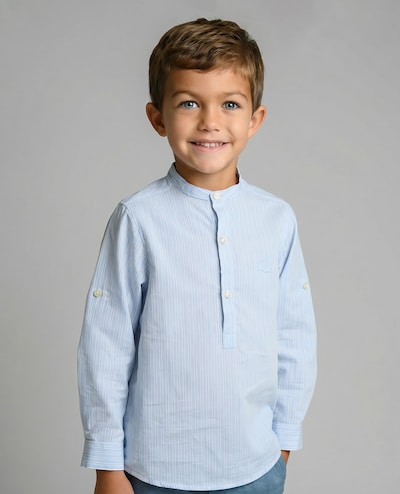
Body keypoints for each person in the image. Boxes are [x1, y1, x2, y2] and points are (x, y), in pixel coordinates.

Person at [78, 18, 317, 494]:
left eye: (230, 104)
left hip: (256, 467)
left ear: (255, 119)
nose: (210, 121)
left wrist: (284, 442)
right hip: (152, 470)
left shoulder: (276, 219)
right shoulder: (138, 218)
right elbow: (106, 345)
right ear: (157, 117)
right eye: (189, 102)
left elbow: (295, 334)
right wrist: (107, 464)